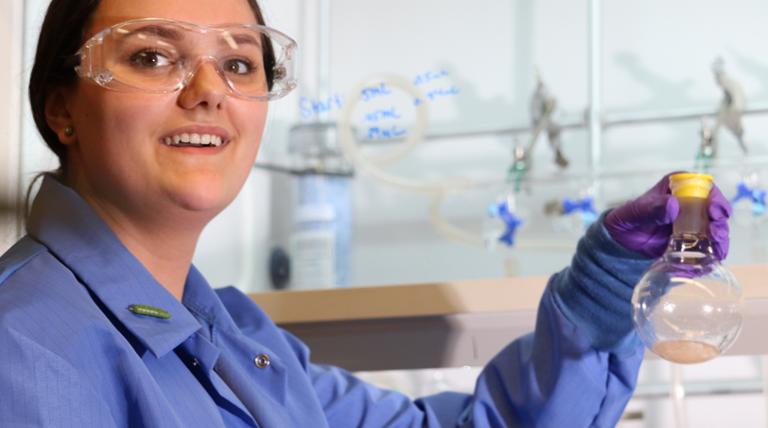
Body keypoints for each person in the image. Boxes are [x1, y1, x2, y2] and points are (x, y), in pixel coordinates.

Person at [0, 0, 732, 426]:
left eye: (239, 63)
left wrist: (607, 287)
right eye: (153, 58)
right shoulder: (23, 351)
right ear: (61, 108)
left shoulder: (239, 341)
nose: (208, 90)